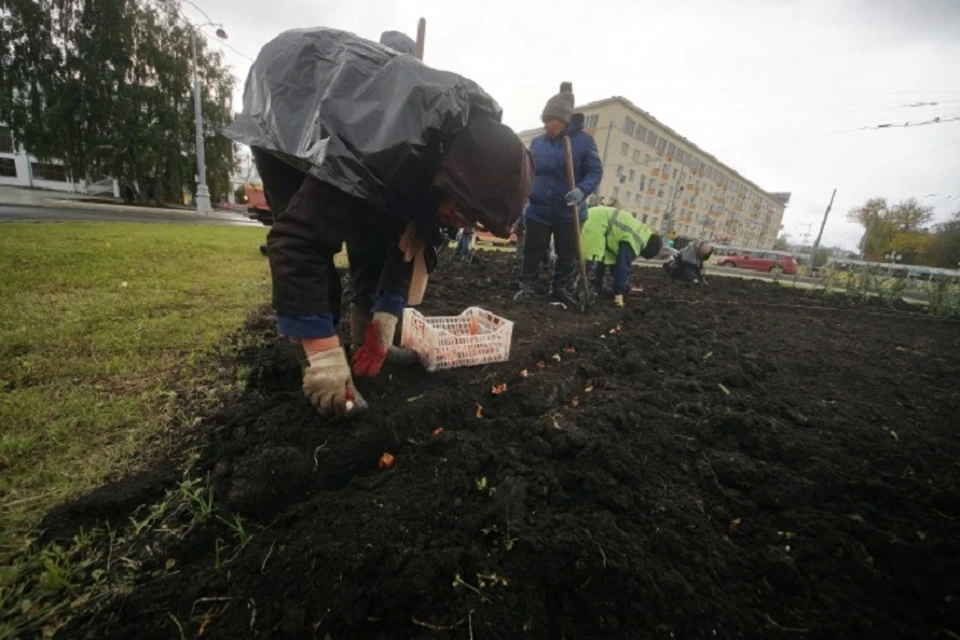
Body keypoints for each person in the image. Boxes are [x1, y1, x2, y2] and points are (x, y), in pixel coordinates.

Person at [225, 27, 533, 418]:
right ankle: (320, 360)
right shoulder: (386, 153)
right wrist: (323, 353)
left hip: (361, 125)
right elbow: (296, 244)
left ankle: (363, 340)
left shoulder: (452, 158)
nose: (463, 224)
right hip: (290, 96)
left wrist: (386, 312)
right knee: (313, 238)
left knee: (377, 234)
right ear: (453, 181)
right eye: (465, 214)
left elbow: (409, 238)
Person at [515, 82, 603, 305]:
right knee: (533, 250)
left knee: (567, 253)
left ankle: (560, 287)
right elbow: (528, 170)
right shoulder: (537, 143)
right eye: (543, 121)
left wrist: (582, 190)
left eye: (549, 121)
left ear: (563, 121)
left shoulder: (584, 142)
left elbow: (595, 170)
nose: (545, 126)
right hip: (538, 210)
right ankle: (527, 285)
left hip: (568, 212)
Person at [581, 205, 663, 307]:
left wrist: (623, 285)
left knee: (600, 258)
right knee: (591, 260)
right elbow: (622, 267)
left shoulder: (642, 233)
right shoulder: (635, 240)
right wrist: (619, 293)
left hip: (595, 216)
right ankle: (582, 292)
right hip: (595, 222)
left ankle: (597, 288)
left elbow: (615, 266)